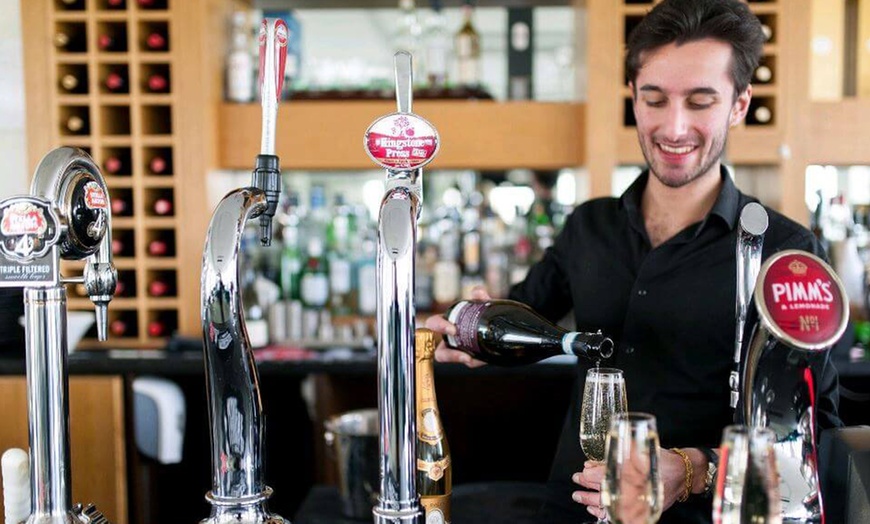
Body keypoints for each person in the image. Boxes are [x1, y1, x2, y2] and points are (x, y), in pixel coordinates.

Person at [425, 0, 842, 522]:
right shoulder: (589, 226)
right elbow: (521, 317)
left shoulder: (785, 254)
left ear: (738, 104)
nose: (673, 127)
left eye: (700, 101)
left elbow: (814, 435)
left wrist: (692, 470)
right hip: (570, 508)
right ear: (633, 99)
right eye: (655, 99)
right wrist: (468, 331)